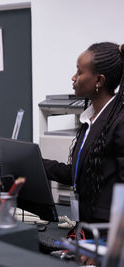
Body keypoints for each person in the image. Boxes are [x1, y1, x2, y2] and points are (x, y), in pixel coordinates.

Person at [44, 42, 124, 224]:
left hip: (106, 235)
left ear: (99, 81)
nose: (74, 77)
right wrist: (34, 163)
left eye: (79, 72)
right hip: (87, 229)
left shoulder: (120, 122)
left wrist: (112, 246)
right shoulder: (91, 119)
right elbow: (78, 173)